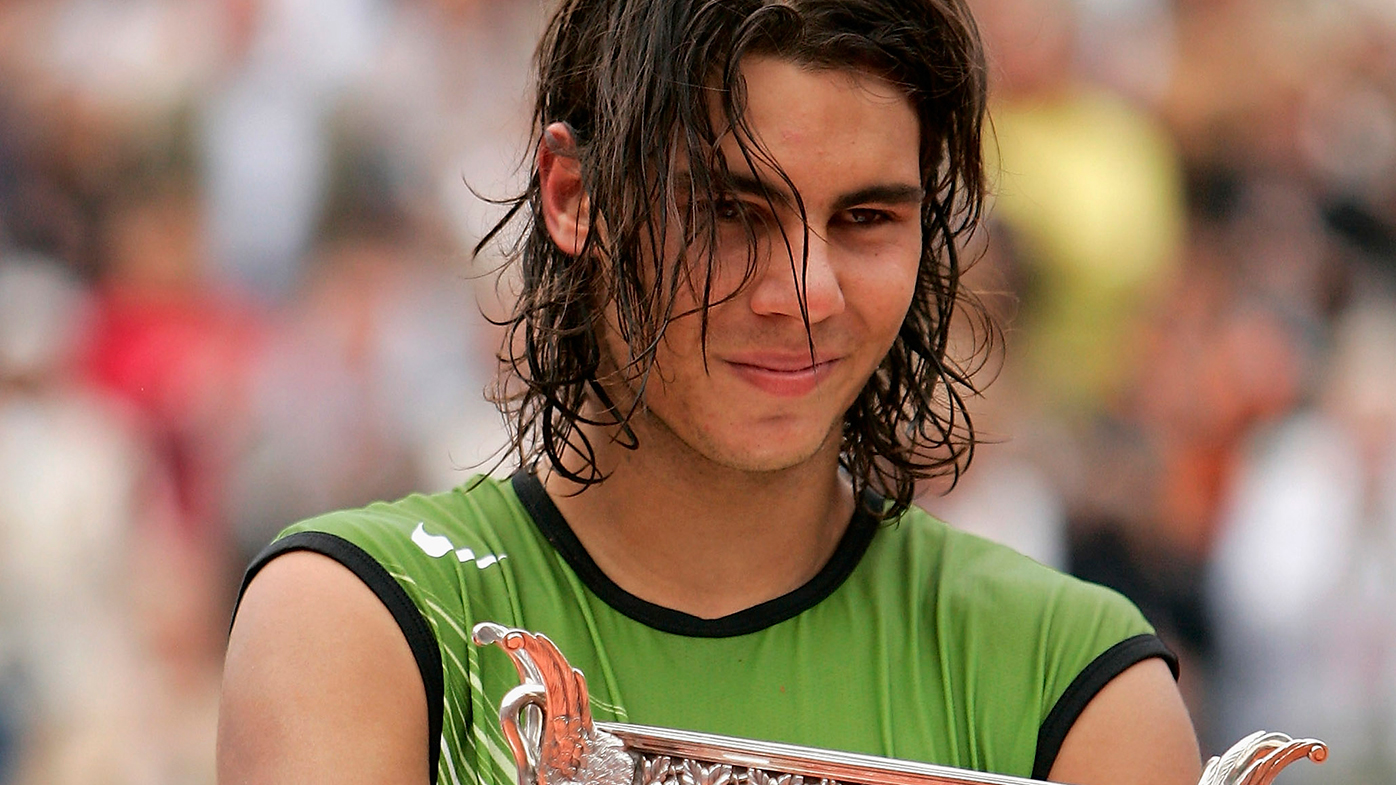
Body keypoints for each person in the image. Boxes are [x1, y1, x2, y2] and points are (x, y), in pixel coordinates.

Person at [217, 2, 1202, 784]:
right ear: (571, 195)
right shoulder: (362, 615)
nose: (805, 293)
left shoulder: (1074, 677)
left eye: (864, 217)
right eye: (731, 211)